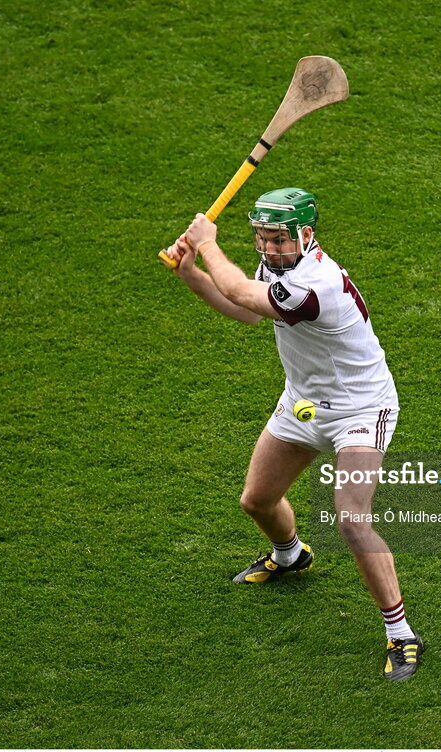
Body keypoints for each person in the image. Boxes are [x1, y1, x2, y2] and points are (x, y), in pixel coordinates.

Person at [163, 188, 423, 681]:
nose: (267, 249)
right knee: (257, 501)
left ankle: (401, 633)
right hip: (304, 405)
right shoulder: (279, 271)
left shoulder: (317, 283)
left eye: (277, 239)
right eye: (261, 238)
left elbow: (241, 292)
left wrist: (207, 244)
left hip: (361, 409)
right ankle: (291, 555)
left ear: (306, 234)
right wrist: (192, 274)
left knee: (350, 519)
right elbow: (247, 309)